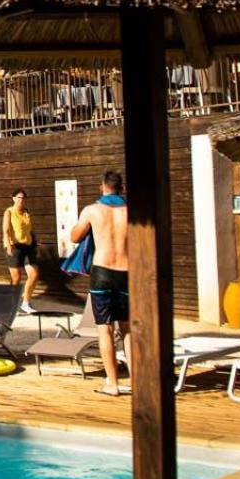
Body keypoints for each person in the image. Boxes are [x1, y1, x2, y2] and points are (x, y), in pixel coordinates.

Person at [70, 170, 130, 396]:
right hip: (126, 271)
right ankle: (136, 382)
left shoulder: (93, 210)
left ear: (102, 187)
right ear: (121, 188)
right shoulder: (130, 211)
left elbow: (75, 237)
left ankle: (112, 384)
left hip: (102, 271)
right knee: (128, 331)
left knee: (104, 329)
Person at [2, 188, 39, 314]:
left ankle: (26, 303)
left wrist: (35, 242)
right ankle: (11, 305)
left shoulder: (26, 212)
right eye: (18, 197)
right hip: (14, 246)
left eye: (23, 198)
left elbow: (30, 229)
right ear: (13, 198)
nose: (21, 200)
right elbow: (6, 229)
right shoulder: (9, 212)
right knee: (16, 277)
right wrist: (8, 245)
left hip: (27, 246)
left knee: (33, 274)